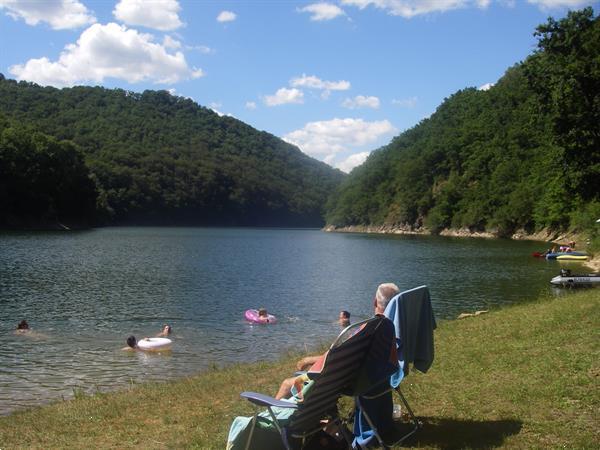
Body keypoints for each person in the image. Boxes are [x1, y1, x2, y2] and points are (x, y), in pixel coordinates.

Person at [274, 283, 400, 400]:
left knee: (286, 384)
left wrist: (308, 360)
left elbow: (336, 357)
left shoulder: (368, 329)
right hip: (380, 377)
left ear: (375, 302)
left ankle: (271, 419)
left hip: (342, 381)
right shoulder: (395, 327)